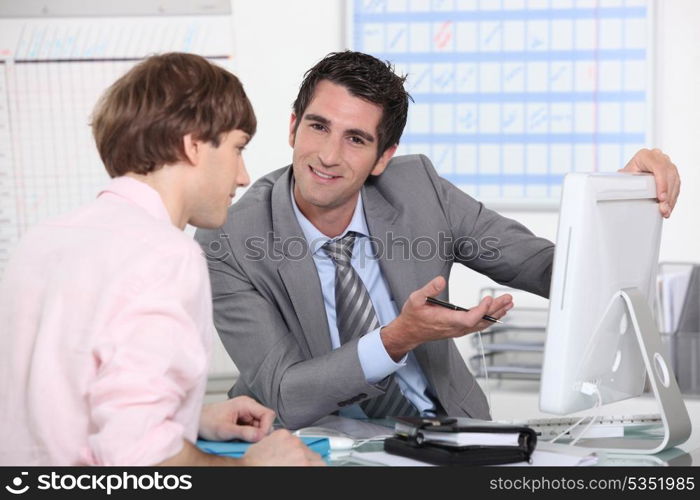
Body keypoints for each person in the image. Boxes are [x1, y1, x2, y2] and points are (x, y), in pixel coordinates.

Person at [194, 51, 681, 429]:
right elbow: (286, 392)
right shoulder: (228, 240)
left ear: (383, 157)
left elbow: (546, 268)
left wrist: (616, 203)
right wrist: (395, 339)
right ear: (294, 126)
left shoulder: (417, 188)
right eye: (318, 127)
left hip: (448, 434)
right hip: (312, 445)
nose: (327, 155)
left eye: (356, 139)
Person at [0, 53, 324, 466]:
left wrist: (190, 420)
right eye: (237, 148)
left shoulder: (42, 242)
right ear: (193, 145)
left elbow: (61, 410)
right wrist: (251, 470)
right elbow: (139, 460)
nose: (243, 176)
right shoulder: (166, 256)